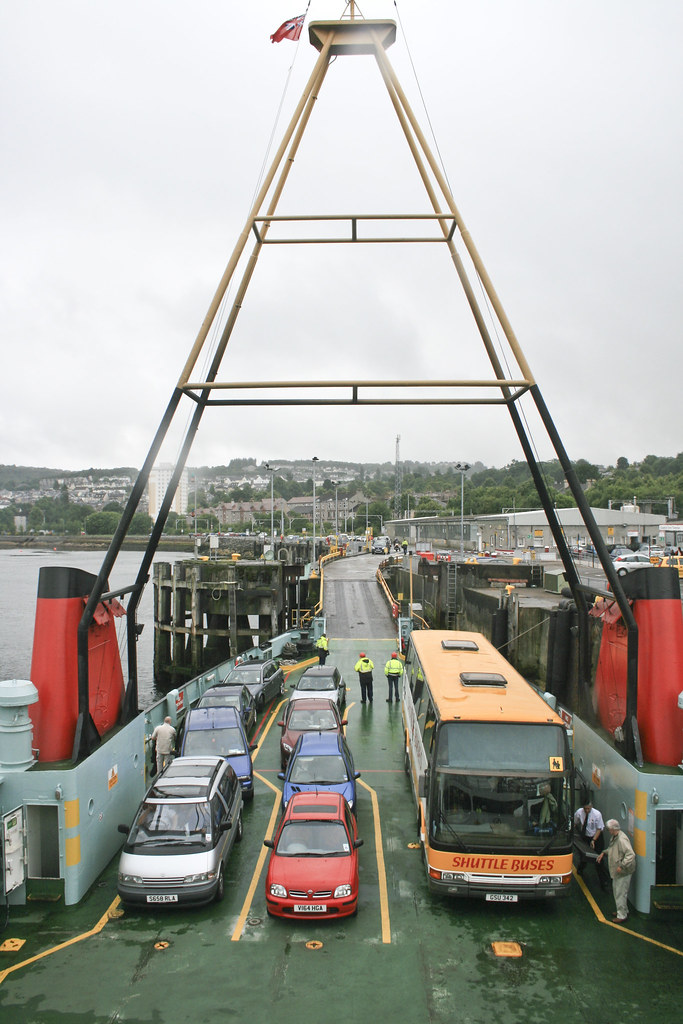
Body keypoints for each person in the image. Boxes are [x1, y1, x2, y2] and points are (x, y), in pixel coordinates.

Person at [597, 819, 636, 923]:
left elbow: (631, 854)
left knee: (620, 892)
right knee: (619, 891)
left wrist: (622, 866)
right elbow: (612, 849)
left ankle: (622, 915)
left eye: (610, 829)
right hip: (619, 871)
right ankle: (623, 910)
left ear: (614, 829)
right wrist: (604, 853)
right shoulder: (615, 837)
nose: (609, 831)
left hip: (623, 872)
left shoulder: (621, 840)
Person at [574, 799, 609, 890]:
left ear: (591, 807)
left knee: (598, 859)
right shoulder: (579, 813)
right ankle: (580, 869)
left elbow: (599, 829)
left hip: (596, 837)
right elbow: (575, 823)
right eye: (585, 809)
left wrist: (593, 840)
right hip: (585, 837)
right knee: (584, 855)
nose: (587, 811)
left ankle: (603, 883)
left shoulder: (597, 814)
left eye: (588, 809)